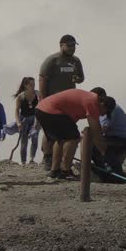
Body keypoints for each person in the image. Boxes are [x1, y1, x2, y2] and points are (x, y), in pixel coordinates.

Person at [36, 88, 105, 180]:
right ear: (102, 104)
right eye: (106, 112)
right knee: (73, 138)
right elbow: (96, 131)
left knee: (61, 138)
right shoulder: (92, 101)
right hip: (50, 110)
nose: (103, 115)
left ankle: (54, 171)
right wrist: (103, 151)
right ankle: (65, 171)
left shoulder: (86, 98)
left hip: (42, 109)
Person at [39, 34, 84, 170]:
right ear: (61, 45)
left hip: (69, 103)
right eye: (69, 46)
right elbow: (42, 79)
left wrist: (78, 79)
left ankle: (61, 161)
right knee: (50, 132)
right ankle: (47, 157)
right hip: (52, 102)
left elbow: (81, 78)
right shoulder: (52, 60)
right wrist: (43, 99)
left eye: (73, 46)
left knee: (66, 133)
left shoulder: (76, 61)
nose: (72, 49)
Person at [94, 90, 126, 179]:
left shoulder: (109, 108)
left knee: (102, 146)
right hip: (115, 137)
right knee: (95, 146)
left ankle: (115, 175)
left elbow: (102, 129)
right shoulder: (104, 107)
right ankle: (103, 171)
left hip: (123, 139)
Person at [13, 77, 40, 165]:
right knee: (24, 140)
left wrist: (37, 122)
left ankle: (32, 159)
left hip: (35, 117)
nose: (33, 86)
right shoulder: (21, 96)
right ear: (26, 85)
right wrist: (18, 122)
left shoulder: (37, 94)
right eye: (30, 85)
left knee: (35, 138)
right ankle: (23, 161)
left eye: (34, 84)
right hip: (24, 119)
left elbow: (40, 108)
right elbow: (17, 110)